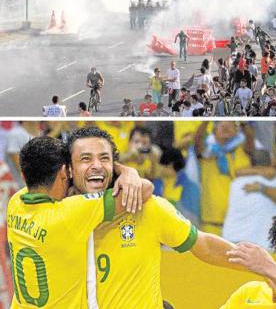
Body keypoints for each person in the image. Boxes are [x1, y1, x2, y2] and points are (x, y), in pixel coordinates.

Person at [65, 127, 253, 308]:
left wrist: (260, 267)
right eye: (85, 159)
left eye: (104, 158)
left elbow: (204, 245)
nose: (96, 165)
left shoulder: (146, 207)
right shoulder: (55, 214)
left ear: (113, 167)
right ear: (69, 169)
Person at [7, 136, 149, 308]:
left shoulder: (15, 203)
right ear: (63, 173)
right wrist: (127, 171)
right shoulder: (71, 212)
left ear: (24, 175)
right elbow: (144, 188)